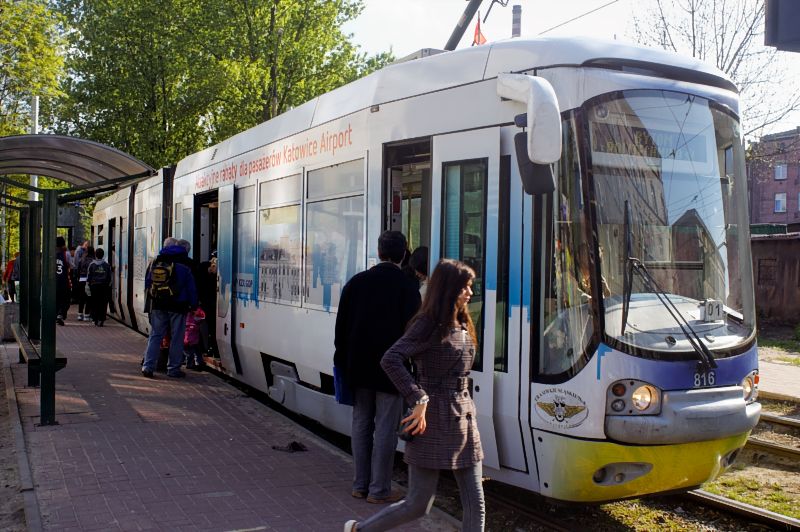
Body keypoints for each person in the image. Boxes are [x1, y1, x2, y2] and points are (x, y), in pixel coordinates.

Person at [345, 259, 485, 532]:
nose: (470, 292)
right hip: (431, 420)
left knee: (476, 501)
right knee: (418, 504)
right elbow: (391, 358)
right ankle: (359, 530)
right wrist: (417, 398)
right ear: (448, 289)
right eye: (464, 287)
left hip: (464, 418)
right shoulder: (428, 324)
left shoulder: (463, 322)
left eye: (471, 286)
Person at [334, 231, 421, 504]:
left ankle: (359, 485)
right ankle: (379, 489)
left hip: (358, 367)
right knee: (385, 427)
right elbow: (414, 333)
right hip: (392, 369)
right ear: (404, 253)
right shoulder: (408, 288)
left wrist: (344, 363)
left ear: (379, 251)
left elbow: (341, 330)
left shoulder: (356, 283)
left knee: (361, 423)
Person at [141, 237, 198, 379]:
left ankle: (148, 366)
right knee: (177, 338)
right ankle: (173, 369)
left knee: (155, 335)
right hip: (178, 306)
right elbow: (191, 288)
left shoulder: (157, 261)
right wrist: (194, 305)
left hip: (158, 304)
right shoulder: (186, 264)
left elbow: (148, 283)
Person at [87, 248, 112, 326]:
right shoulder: (107, 265)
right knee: (103, 303)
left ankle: (95, 319)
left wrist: (88, 286)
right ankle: (101, 319)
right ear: (103, 255)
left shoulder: (91, 265)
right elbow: (110, 277)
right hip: (104, 287)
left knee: (94, 303)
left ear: (95, 255)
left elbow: (89, 276)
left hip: (94, 287)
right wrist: (108, 286)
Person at [55, 236, 71, 326]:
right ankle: (60, 314)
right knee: (65, 299)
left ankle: (57, 314)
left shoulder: (50, 253)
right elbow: (72, 265)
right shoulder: (66, 254)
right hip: (64, 281)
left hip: (53, 282)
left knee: (55, 299)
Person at [76, 246, 95, 321]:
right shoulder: (93, 261)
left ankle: (79, 315)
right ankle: (86, 315)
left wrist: (78, 278)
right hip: (88, 281)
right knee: (88, 298)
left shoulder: (82, 259)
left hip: (81, 280)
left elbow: (78, 270)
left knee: (81, 298)